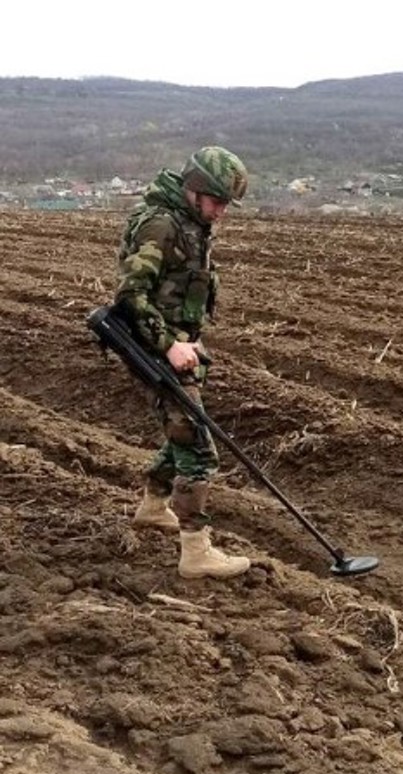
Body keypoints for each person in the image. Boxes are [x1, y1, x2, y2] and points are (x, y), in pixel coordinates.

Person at [115, 145, 251, 580]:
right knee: (197, 449)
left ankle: (153, 508)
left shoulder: (190, 221)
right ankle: (196, 552)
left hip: (177, 350)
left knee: (184, 433)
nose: (221, 212)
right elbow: (130, 296)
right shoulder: (161, 225)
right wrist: (169, 343)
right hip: (156, 353)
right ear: (193, 191)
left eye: (226, 204)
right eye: (217, 201)